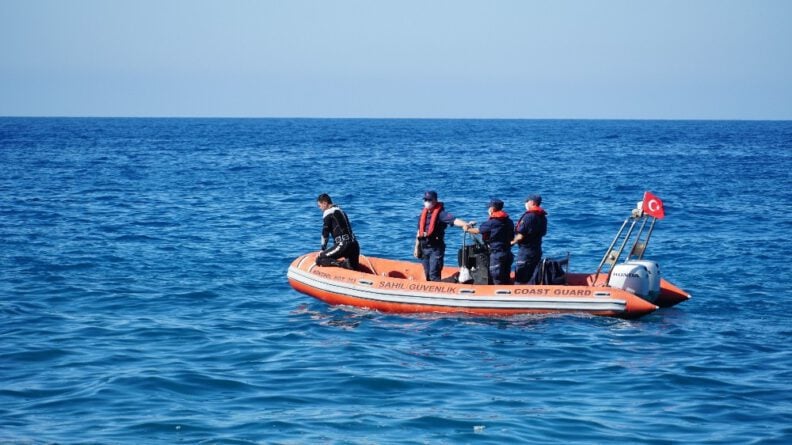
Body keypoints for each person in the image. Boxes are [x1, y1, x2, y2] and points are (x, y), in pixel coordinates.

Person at [415, 190, 469, 281]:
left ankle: (437, 291)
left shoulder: (441, 214)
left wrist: (465, 224)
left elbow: (454, 220)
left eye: (429, 200)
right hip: (424, 248)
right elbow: (418, 232)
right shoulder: (423, 214)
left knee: (434, 273)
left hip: (435, 248)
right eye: (425, 200)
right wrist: (416, 248)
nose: (427, 202)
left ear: (435, 200)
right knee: (427, 273)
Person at [464, 198, 515, 285]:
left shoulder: (492, 222)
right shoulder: (509, 221)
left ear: (492, 209)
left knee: (496, 276)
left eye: (489, 207)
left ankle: (499, 294)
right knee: (505, 275)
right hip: (507, 252)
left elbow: (478, 231)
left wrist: (467, 229)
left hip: (496, 254)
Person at [316, 193, 360, 270]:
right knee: (353, 268)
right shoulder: (341, 210)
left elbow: (325, 233)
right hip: (354, 245)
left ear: (325, 203)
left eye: (319, 206)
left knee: (320, 259)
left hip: (344, 245)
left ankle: (342, 265)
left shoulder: (328, 212)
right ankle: (348, 266)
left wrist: (323, 249)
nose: (320, 209)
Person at [512, 194, 547, 284]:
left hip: (526, 252)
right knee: (532, 275)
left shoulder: (529, 216)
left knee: (521, 277)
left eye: (526, 201)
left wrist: (511, 242)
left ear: (532, 202)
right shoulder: (542, 217)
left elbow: (520, 235)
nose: (525, 203)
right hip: (537, 250)